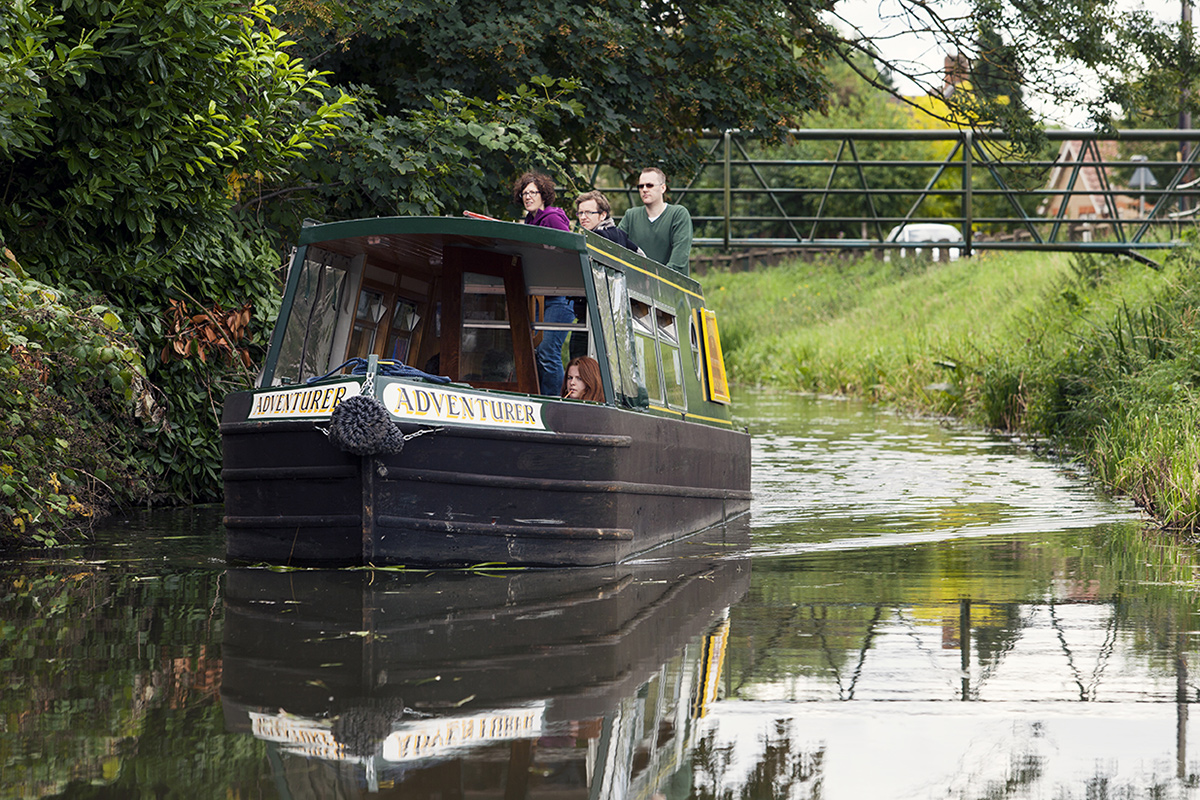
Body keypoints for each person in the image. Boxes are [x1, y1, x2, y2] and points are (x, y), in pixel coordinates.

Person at [514, 171, 574, 395]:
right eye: (524, 193)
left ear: (543, 194)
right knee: (537, 352)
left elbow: (568, 251)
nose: (528, 197)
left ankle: (552, 401)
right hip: (539, 295)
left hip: (559, 296)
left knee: (548, 349)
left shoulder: (551, 218)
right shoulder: (530, 220)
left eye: (533, 193)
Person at [617, 167, 693, 275]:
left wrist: (657, 280)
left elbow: (679, 260)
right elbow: (616, 245)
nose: (644, 189)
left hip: (671, 286)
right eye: (640, 186)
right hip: (636, 286)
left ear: (663, 188)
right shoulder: (631, 216)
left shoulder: (678, 214)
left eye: (649, 185)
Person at [574, 190, 644, 256]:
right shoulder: (620, 234)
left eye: (588, 213)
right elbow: (642, 257)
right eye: (580, 213)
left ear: (603, 215)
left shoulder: (598, 235)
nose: (583, 217)